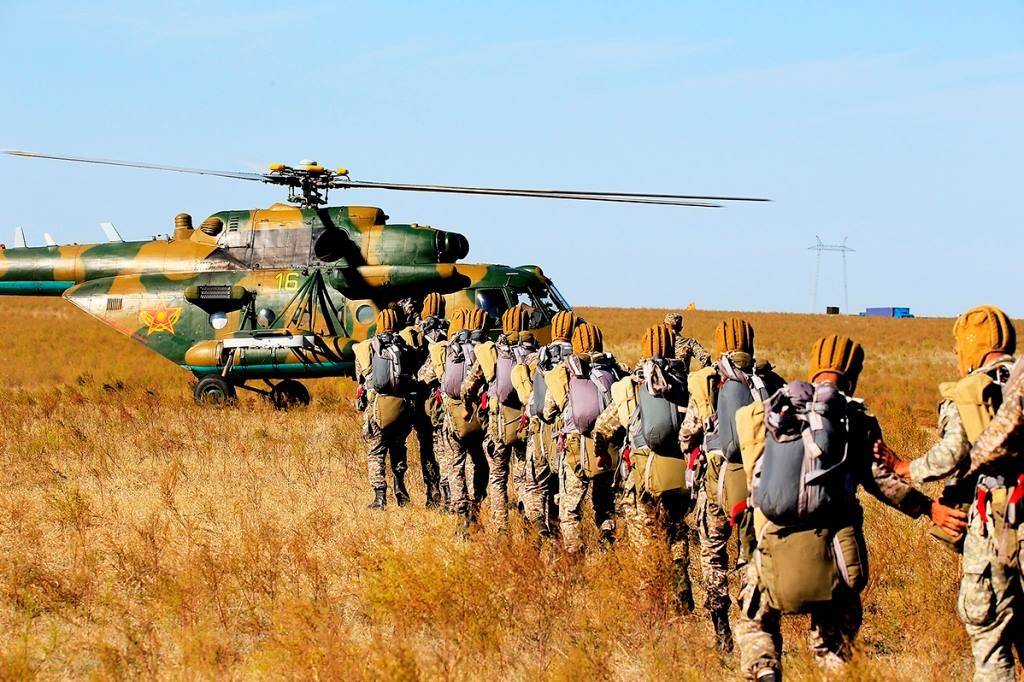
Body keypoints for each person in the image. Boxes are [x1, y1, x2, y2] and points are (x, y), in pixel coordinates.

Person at [735, 334, 965, 681]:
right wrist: (930, 509)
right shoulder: (854, 419)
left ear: (814, 368)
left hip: (772, 546)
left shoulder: (776, 409)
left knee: (755, 624)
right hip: (833, 554)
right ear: (852, 374)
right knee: (834, 647)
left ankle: (765, 669)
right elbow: (883, 483)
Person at [877, 305, 1018, 681]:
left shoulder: (974, 390)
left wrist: (906, 467)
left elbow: (952, 454)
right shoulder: (1019, 381)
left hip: (999, 526)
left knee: (988, 633)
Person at [677, 318, 785, 652]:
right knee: (753, 554)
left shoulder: (711, 383)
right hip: (762, 482)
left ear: (722, 344)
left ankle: (720, 625)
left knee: (713, 552)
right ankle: (753, 618)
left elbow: (686, 434)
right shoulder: (770, 381)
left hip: (717, 482)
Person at [591, 325, 696, 607]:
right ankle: (679, 572)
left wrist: (601, 453)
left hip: (643, 476)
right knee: (676, 529)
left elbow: (603, 427)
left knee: (644, 538)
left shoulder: (632, 386)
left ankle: (650, 602)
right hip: (678, 474)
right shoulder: (687, 383)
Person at [543, 322, 626, 552]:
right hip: (607, 448)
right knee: (604, 503)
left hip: (574, 446)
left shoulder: (565, 372)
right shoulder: (613, 371)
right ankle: (607, 542)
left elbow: (548, 412)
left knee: (569, 508)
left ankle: (574, 552)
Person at [461, 305, 539, 533]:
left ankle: (501, 529)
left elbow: (468, 386)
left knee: (497, 477)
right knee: (525, 477)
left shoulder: (493, 352)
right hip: (525, 426)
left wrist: (468, 406)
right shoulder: (535, 354)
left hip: (497, 424)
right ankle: (531, 526)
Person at [526, 309, 581, 534]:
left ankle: (539, 525)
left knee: (536, 484)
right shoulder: (578, 359)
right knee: (563, 487)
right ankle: (559, 532)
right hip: (566, 433)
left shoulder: (539, 356)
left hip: (540, 429)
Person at [354, 309, 416, 509]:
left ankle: (380, 497)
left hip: (376, 409)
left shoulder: (366, 348)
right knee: (398, 448)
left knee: (376, 453)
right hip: (401, 408)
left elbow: (361, 380)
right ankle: (400, 487)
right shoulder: (404, 347)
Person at [440, 306, 491, 535]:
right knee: (479, 461)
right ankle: (477, 505)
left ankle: (460, 513)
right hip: (480, 415)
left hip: (453, 415)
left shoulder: (449, 349)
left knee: (455, 464)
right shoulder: (487, 351)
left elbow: (430, 376)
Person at [399, 293, 447, 509]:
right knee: (445, 449)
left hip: (421, 400)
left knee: (426, 448)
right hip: (442, 403)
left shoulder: (418, 331)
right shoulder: (449, 333)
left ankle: (432, 492)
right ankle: (448, 492)